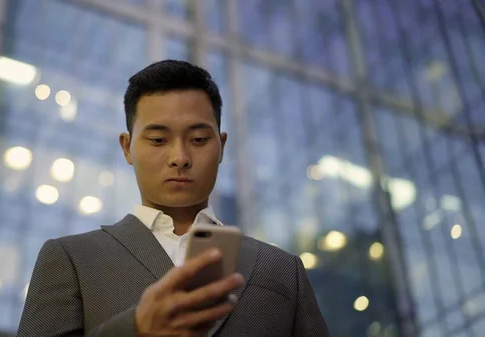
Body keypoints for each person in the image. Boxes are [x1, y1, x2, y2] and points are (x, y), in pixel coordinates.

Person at [17, 60, 330, 337]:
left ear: (222, 146)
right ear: (126, 147)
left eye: (198, 139)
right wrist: (134, 330)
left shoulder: (282, 270)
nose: (180, 157)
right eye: (158, 140)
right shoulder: (71, 258)